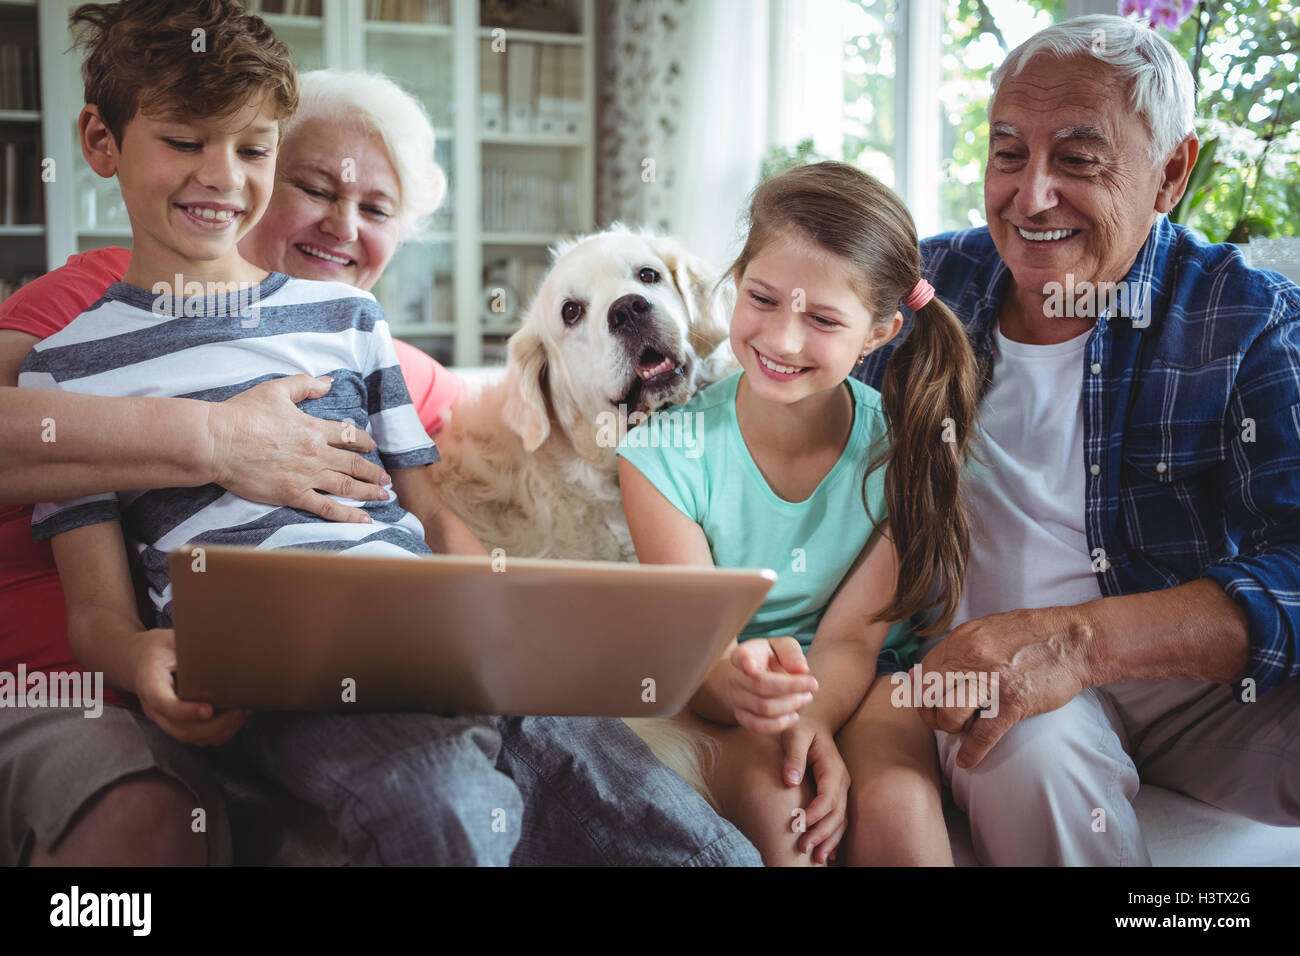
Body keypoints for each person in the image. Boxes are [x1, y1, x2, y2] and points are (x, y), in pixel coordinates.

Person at [5, 0, 759, 868]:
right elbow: (96, 609)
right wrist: (141, 655)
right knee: (444, 805)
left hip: (438, 644)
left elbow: (430, 508)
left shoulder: (349, 319)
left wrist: (504, 617)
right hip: (281, 674)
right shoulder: (66, 362)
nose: (221, 176)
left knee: (682, 838)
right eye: (184, 142)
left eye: (251, 149)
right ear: (100, 144)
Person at [854, 14, 1300, 865]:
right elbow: (789, 417)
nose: (1031, 198)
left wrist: (1081, 643)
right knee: (1024, 753)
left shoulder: (1246, 319)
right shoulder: (927, 290)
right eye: (1010, 153)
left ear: (1172, 173)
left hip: (1185, 677)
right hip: (993, 672)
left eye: (1080, 161)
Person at [618, 161, 980, 865]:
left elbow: (852, 643)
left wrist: (813, 717)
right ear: (736, 283)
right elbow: (698, 653)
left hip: (869, 682)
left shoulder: (906, 455)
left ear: (878, 333)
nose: (783, 340)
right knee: (788, 823)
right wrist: (760, 699)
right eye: (763, 298)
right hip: (728, 689)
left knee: (900, 815)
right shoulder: (659, 457)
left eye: (821, 319)